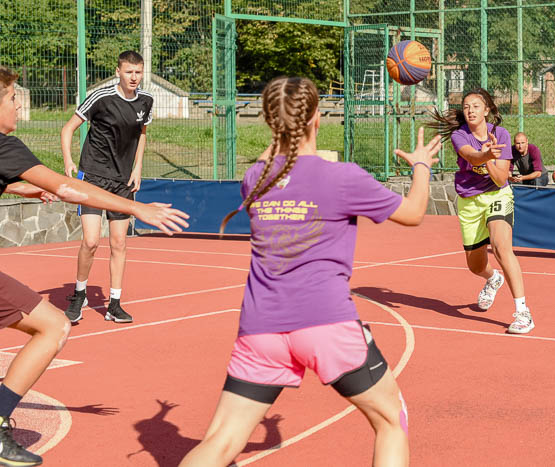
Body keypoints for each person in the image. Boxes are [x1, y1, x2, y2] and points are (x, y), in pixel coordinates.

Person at [178, 76, 441, 467]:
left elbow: (280, 165)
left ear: (270, 122)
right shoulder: (343, 177)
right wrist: (421, 167)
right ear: (318, 117)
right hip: (325, 323)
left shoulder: (255, 179)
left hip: (260, 328)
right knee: (390, 420)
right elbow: (415, 213)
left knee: (219, 442)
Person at [0, 66, 188, 466]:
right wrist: (136, 206)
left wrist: (19, 186)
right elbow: (67, 186)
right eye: (12, 98)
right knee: (53, 327)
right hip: (105, 186)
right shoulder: (4, 146)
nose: (17, 105)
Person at [427, 88, 534, 334]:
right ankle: (492, 278)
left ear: (486, 110)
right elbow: (471, 156)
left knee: (500, 247)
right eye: (466, 106)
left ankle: (523, 313)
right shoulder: (459, 136)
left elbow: (499, 180)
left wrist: (489, 157)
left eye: (475, 106)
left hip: (498, 195)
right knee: (475, 266)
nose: (470, 110)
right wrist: (485, 154)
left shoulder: (502, 135)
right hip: (469, 201)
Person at [61, 50, 154, 324]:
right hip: (93, 176)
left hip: (122, 180)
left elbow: (142, 136)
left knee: (119, 243)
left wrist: (137, 168)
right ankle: (79, 294)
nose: (134, 77)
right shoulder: (101, 98)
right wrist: (68, 162)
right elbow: (68, 129)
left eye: (138, 72)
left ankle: (114, 303)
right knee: (90, 242)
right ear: (118, 72)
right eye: (129, 72)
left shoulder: (146, 101)